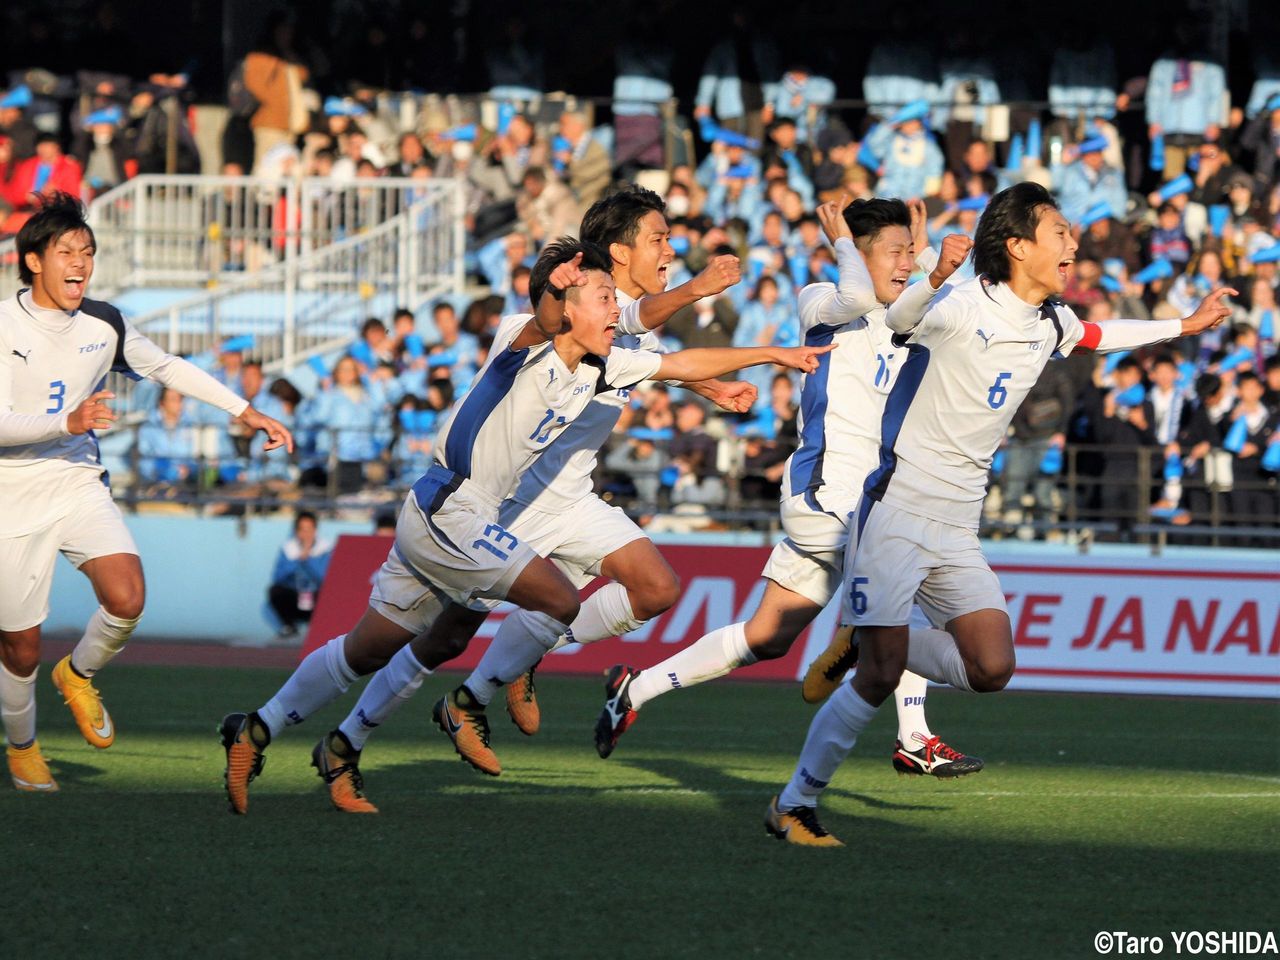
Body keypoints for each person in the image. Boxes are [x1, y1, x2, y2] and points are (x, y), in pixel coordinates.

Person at [219, 237, 830, 815]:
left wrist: (772, 353)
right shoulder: (526, 338)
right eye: (603, 301)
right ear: (566, 305)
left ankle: (259, 730)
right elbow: (541, 316)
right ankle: (498, 678)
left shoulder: (600, 367)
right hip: (451, 509)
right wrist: (555, 290)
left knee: (369, 648)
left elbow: (681, 361)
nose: (617, 312)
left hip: (450, 516)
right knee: (555, 599)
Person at [782, 182, 1230, 843]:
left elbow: (1100, 334)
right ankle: (795, 802)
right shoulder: (961, 305)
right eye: (1060, 234)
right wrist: (934, 274)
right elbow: (902, 319)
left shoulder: (1051, 319)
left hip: (959, 521)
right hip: (896, 510)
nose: (1073, 244)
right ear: (1018, 246)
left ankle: (872, 639)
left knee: (992, 667)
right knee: (882, 674)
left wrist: (1184, 325)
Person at [593, 196, 980, 806]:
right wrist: (846, 246)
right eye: (894, 251)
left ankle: (634, 690)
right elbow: (856, 296)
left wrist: (923, 249)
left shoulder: (911, 313)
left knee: (767, 636)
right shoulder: (822, 296)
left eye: (911, 252)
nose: (907, 262)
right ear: (856, 251)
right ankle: (912, 732)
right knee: (906, 584)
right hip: (827, 493)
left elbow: (930, 292)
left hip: (862, 500)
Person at [435, 186, 752, 774]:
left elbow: (659, 359)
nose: (670, 249)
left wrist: (715, 389)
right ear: (619, 252)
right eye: (659, 238)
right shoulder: (591, 312)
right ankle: (352, 732)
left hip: (574, 498)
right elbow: (635, 321)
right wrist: (699, 290)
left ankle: (491, 680)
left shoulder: (627, 327)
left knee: (657, 588)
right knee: (438, 635)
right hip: (513, 499)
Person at [0, 193, 291, 792]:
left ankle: (77, 675)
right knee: (19, 648)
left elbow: (167, 368)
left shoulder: (104, 323)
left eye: (88, 252)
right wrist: (68, 422)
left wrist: (246, 411)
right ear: (32, 261)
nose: (80, 263)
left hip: (76, 480)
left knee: (127, 596)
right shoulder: (3, 326)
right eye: (65, 252)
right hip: (10, 491)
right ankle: (23, 747)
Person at [268, 512, 334, 639]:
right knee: (275, 591)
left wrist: (308, 560)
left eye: (309, 529)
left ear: (315, 530)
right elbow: (277, 577)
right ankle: (289, 626)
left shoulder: (325, 549)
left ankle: (322, 628)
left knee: (330, 594)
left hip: (315, 596)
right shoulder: (288, 549)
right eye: (302, 530)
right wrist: (297, 560)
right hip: (296, 595)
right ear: (296, 531)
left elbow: (325, 578)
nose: (306, 534)